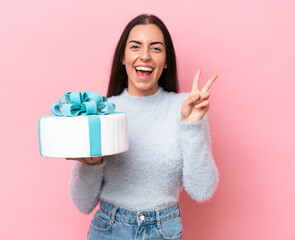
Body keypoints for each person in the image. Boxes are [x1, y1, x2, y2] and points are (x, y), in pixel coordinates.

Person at [68, 14, 219, 240]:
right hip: (108, 230)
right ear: (123, 56)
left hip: (163, 231)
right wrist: (91, 164)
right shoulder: (103, 111)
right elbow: (82, 203)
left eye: (156, 49)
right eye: (136, 46)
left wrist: (191, 127)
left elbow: (202, 190)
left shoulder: (186, 107)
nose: (145, 56)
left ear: (166, 60)